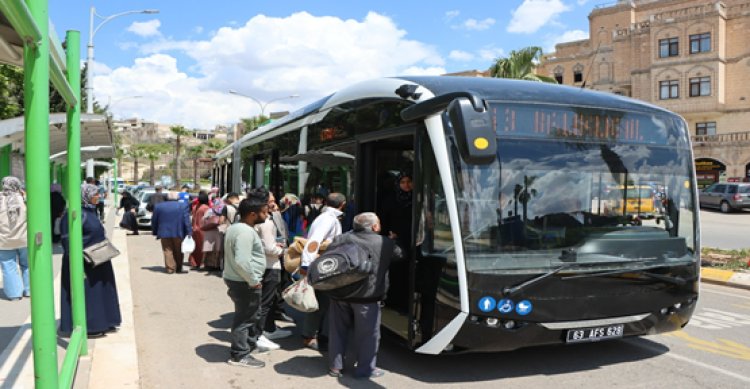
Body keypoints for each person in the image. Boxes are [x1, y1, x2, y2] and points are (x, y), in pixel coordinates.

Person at [327, 212, 403, 379]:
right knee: (368, 335)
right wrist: (393, 239)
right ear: (374, 227)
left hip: (340, 293)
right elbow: (399, 255)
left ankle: (335, 366)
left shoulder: (341, 238)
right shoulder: (384, 242)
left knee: (337, 331)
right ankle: (365, 369)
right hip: (367, 297)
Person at [60, 184, 122, 337]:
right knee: (89, 294)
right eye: (95, 194)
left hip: (99, 260)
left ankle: (105, 321)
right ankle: (91, 327)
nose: (98, 197)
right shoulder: (75, 214)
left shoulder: (90, 211)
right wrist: (78, 260)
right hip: (84, 262)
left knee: (102, 292)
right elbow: (67, 239)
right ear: (85, 195)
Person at [223, 197, 270, 368]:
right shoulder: (244, 232)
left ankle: (248, 346)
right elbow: (242, 261)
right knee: (245, 318)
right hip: (244, 282)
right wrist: (253, 281)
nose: (267, 215)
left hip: (239, 279)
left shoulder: (237, 228)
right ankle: (239, 355)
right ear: (252, 214)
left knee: (252, 315)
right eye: (264, 212)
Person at [300, 192, 347, 350]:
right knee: (318, 303)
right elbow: (314, 242)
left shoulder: (328, 217)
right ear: (343, 204)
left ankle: (317, 334)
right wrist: (306, 265)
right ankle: (309, 336)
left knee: (323, 302)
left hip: (323, 264)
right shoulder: (328, 219)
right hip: (322, 266)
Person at [248, 188, 292, 350]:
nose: (274, 203)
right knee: (265, 303)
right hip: (269, 265)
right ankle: (258, 336)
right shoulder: (265, 222)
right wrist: (284, 251)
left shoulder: (253, 218)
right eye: (271, 201)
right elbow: (269, 248)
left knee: (265, 301)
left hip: (262, 264)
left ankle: (265, 330)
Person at [0, 176, 29, 301]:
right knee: (27, 264)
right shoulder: (24, 198)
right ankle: (29, 290)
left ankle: (14, 294)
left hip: (4, 240)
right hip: (24, 238)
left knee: (8, 266)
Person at [151, 192, 193, 274]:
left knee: (167, 250)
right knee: (179, 250)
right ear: (177, 198)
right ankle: (178, 268)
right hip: (178, 231)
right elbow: (186, 220)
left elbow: (154, 220)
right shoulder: (183, 206)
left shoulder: (159, 206)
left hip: (164, 232)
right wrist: (189, 232)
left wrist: (155, 231)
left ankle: (170, 268)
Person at [189, 192, 210, 269]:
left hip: (195, 228)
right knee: (202, 247)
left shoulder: (195, 207)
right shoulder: (206, 208)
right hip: (202, 229)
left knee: (195, 247)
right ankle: (201, 263)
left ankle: (194, 262)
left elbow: (192, 218)